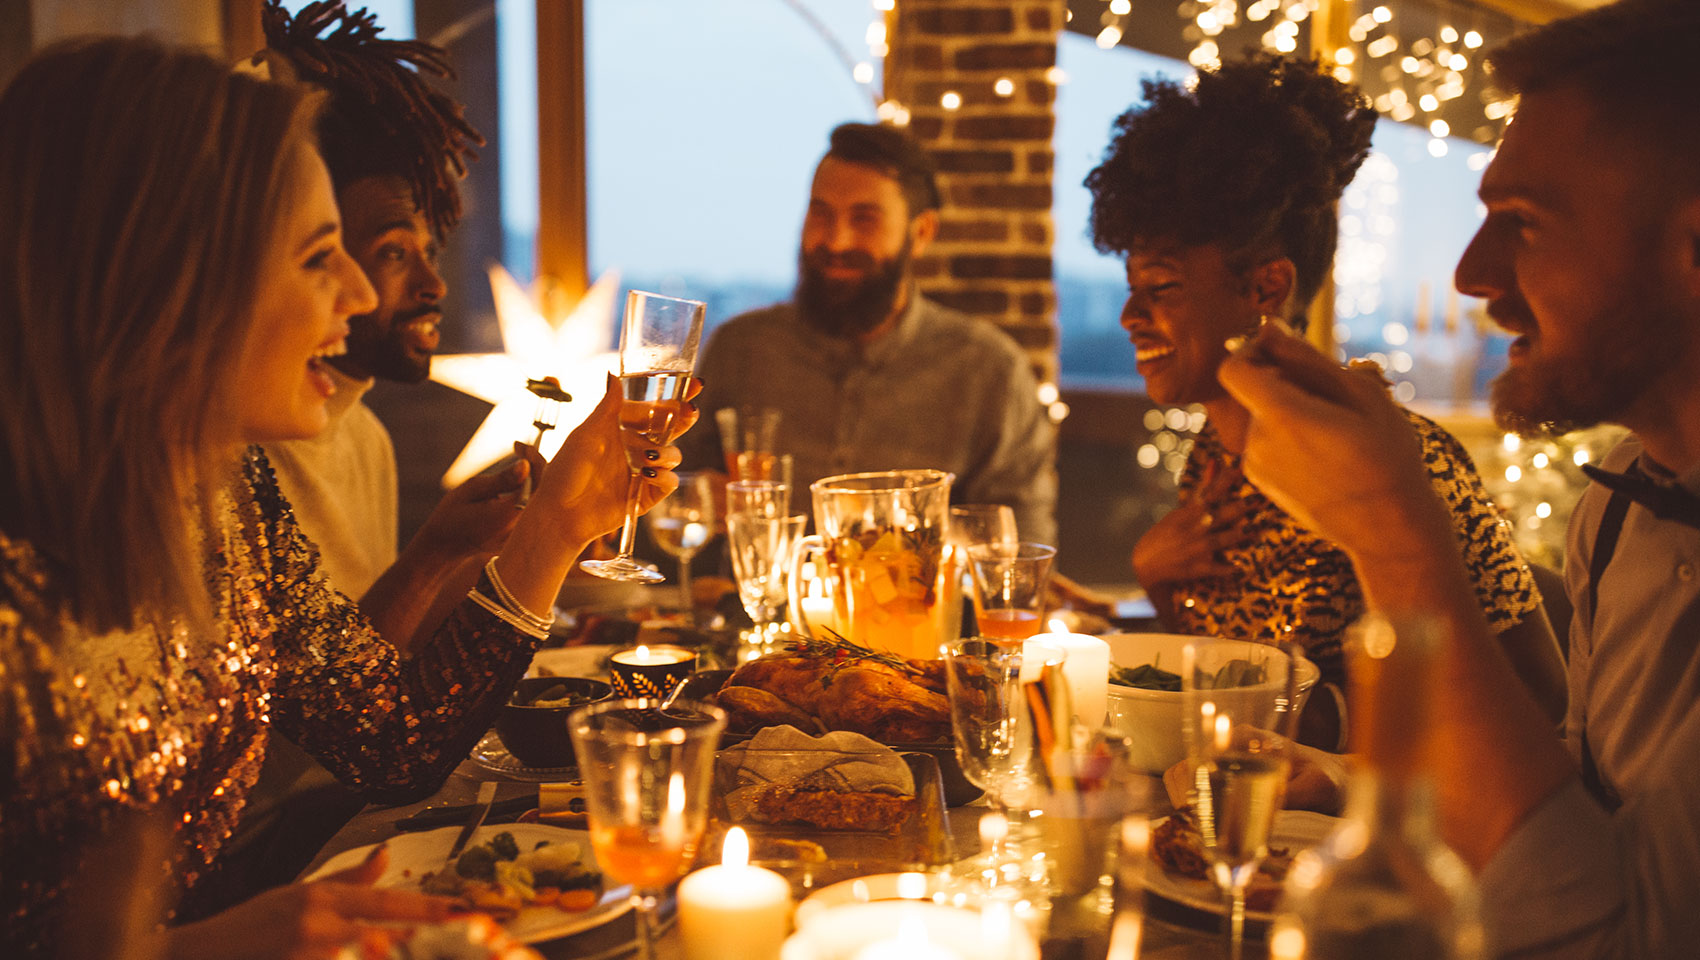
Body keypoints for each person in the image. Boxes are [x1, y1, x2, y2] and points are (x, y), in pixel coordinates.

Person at [0, 37, 689, 957]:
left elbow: (389, 741)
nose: (361, 293)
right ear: (171, 276)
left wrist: (558, 527)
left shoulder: (224, 495)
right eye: (321, 256)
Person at [1209, 1, 1700, 955]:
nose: (1472, 275)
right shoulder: (1621, 511)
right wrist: (1358, 783)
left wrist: (1395, 532)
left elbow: (1614, 942)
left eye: (1522, 222)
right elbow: (1576, 803)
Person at [1084, 53, 1564, 726]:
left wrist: (1325, 725)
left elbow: (1544, 705)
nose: (1131, 318)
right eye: (1132, 291)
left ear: (1266, 289)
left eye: (1161, 288)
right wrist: (1158, 579)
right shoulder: (1213, 462)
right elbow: (1227, 674)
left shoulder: (1404, 460)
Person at [257, 1, 506, 651]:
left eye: (430, 249)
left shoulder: (365, 438)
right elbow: (321, 725)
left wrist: (482, 547)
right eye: (394, 251)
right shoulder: (239, 461)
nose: (435, 284)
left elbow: (386, 667)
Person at [680, 122, 1058, 543]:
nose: (836, 241)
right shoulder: (741, 348)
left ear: (921, 233)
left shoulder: (989, 371)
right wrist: (694, 495)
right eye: (820, 214)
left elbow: (1018, 549)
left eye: (864, 220)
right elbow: (670, 496)